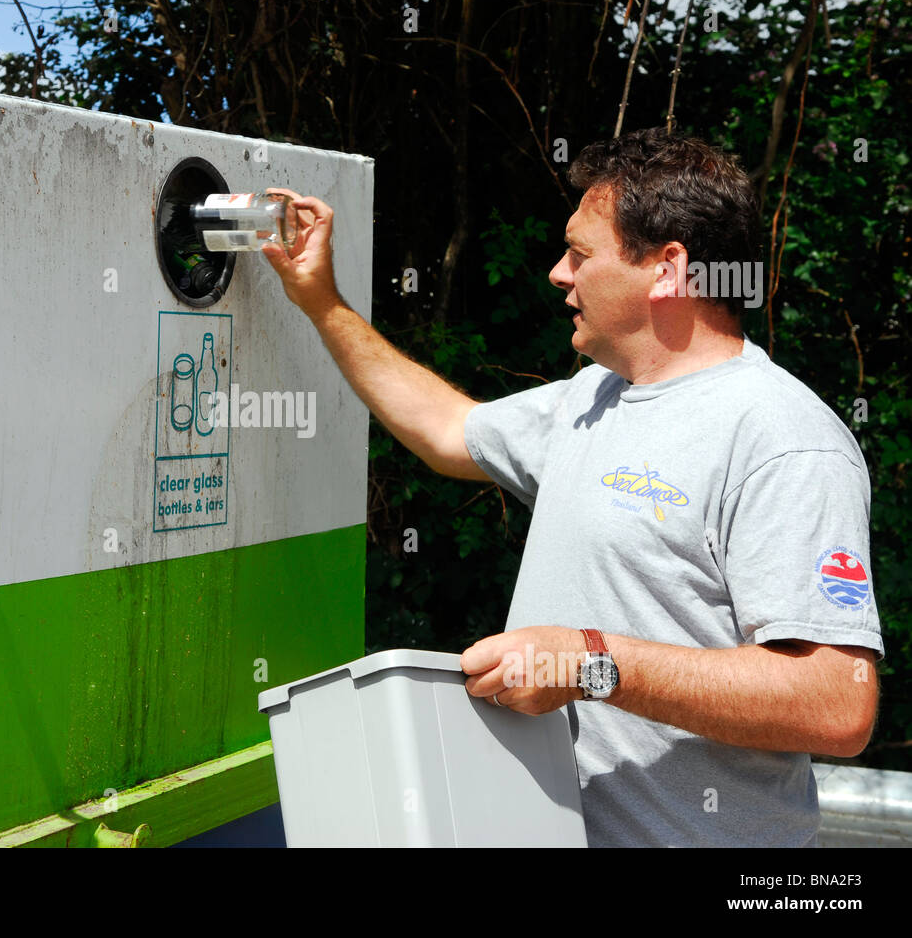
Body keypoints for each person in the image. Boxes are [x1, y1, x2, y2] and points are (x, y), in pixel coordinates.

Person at [260, 127, 883, 847]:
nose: (559, 273)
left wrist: (589, 661)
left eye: (581, 254)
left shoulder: (782, 438)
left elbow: (837, 704)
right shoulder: (592, 399)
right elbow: (444, 428)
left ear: (667, 269)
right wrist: (321, 303)